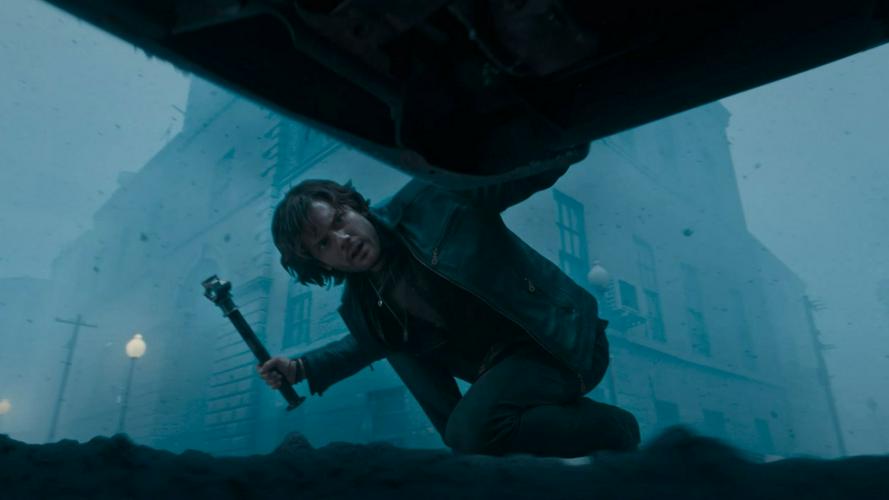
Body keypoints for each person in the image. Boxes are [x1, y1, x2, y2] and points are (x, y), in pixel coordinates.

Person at [258, 164, 640, 457]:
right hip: (507, 373)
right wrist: (300, 368)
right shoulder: (364, 306)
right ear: (321, 264)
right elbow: (360, 346)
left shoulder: (431, 201)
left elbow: (510, 175)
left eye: (339, 220)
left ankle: (617, 430)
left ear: (354, 207)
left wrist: (561, 139)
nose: (342, 239)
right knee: (459, 427)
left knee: (471, 432)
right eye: (324, 244)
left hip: (563, 339)